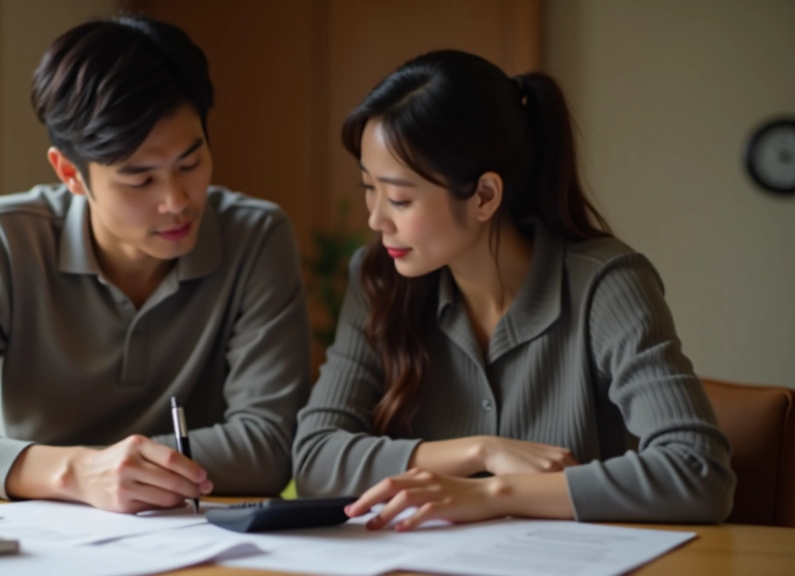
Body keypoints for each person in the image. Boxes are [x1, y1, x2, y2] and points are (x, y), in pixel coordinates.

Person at [0, 17, 310, 513]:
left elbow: (270, 447)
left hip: (185, 536)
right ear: (70, 174)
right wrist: (75, 473)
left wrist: (112, 474)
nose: (176, 201)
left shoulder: (255, 237)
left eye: (190, 164)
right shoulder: (6, 236)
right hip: (34, 538)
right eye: (139, 181)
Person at [293, 50, 734, 529]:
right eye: (368, 189)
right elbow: (315, 457)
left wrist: (495, 493)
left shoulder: (606, 284)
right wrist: (481, 451)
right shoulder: (378, 278)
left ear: (484, 195)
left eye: (399, 198)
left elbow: (698, 471)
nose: (376, 219)